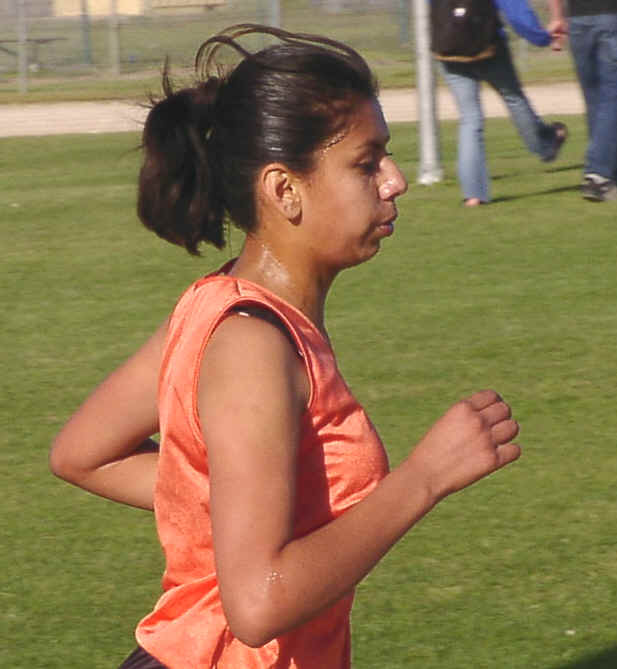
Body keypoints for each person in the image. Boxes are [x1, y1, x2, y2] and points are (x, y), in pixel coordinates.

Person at [49, 24, 522, 669]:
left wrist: (242, 500)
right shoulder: (253, 346)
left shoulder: (216, 303)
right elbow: (257, 607)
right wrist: (423, 478)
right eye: (367, 163)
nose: (396, 181)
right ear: (283, 190)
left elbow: (83, 454)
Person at [436, 0, 569, 206]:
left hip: (448, 48)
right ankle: (544, 145)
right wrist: (542, 37)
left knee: (469, 119)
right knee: (513, 98)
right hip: (488, 47)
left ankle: (474, 195)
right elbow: (516, 11)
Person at [548, 0, 617, 202]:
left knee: (595, 99)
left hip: (578, 20)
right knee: (611, 97)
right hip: (610, 16)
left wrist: (557, 17)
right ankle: (597, 175)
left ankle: (607, 172)